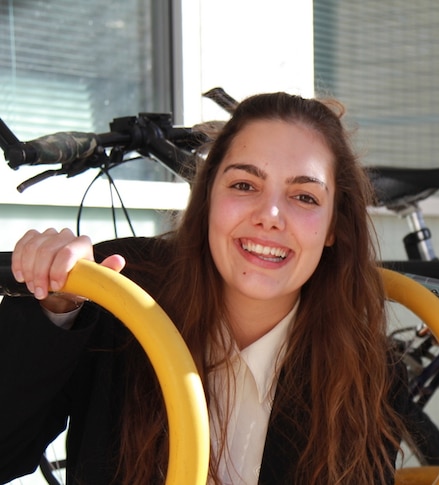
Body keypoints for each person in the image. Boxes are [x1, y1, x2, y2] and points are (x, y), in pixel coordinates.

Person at [0, 92, 410, 484]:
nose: (270, 216)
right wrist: (54, 307)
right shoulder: (122, 293)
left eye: (304, 196)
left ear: (334, 226)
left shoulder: (366, 373)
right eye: (244, 185)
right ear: (207, 198)